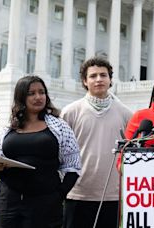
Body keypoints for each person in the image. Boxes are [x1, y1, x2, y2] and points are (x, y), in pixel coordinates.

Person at [0, 75, 81, 228]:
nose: (38, 97)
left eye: (42, 92)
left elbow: (73, 166)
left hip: (44, 203)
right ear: (21, 97)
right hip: (8, 202)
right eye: (31, 93)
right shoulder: (8, 129)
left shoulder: (60, 127)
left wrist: (58, 195)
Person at [61, 57, 132, 228]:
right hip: (77, 193)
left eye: (103, 75)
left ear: (110, 79)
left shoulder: (126, 114)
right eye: (93, 76)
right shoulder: (70, 112)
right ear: (85, 81)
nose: (99, 79)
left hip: (113, 195)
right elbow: (60, 152)